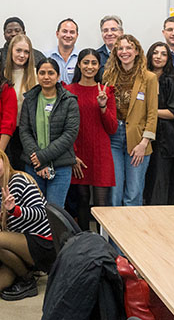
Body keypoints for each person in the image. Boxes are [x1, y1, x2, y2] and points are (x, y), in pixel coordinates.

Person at [0, 146, 56, 301]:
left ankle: (28, 280)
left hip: (44, 243)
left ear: (5, 162)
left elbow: (42, 213)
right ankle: (28, 273)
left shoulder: (19, 179)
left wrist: (15, 210)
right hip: (23, 243)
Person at [102, 35, 158, 206]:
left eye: (128, 48)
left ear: (136, 51)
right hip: (114, 138)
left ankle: (130, 232)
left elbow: (152, 113)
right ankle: (112, 233)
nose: (124, 52)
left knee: (133, 192)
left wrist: (144, 143)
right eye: (120, 48)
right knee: (115, 191)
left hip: (138, 139)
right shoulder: (108, 76)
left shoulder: (149, 78)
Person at [66, 49, 116, 230]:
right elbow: (63, 126)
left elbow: (112, 127)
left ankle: (105, 246)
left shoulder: (106, 91)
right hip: (78, 152)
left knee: (102, 203)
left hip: (100, 152)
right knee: (81, 200)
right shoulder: (68, 91)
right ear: (79, 64)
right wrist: (71, 155)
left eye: (93, 63)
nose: (89, 66)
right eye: (85, 62)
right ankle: (85, 243)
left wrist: (103, 106)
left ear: (99, 66)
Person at [20, 58, 80, 208]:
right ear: (37, 75)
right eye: (42, 73)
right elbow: (24, 130)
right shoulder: (29, 99)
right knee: (34, 211)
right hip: (34, 167)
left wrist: (43, 156)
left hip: (60, 166)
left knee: (55, 213)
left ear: (58, 76)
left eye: (51, 73)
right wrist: (38, 160)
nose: (46, 77)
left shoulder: (69, 101)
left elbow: (70, 134)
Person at [144, 42, 174, 205]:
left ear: (168, 59)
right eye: (155, 53)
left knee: (160, 183)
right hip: (144, 137)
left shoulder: (171, 81)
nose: (158, 57)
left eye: (163, 54)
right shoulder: (143, 78)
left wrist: (150, 112)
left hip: (164, 139)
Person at [2, 34, 39, 171]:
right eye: (18, 51)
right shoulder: (2, 75)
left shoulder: (36, 76)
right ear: (11, 50)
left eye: (26, 52)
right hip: (7, 133)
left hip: (29, 134)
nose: (22, 55)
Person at [49, 18, 79, 85]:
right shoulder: (47, 57)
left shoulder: (82, 59)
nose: (68, 35)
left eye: (72, 32)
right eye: (64, 31)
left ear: (77, 35)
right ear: (57, 34)